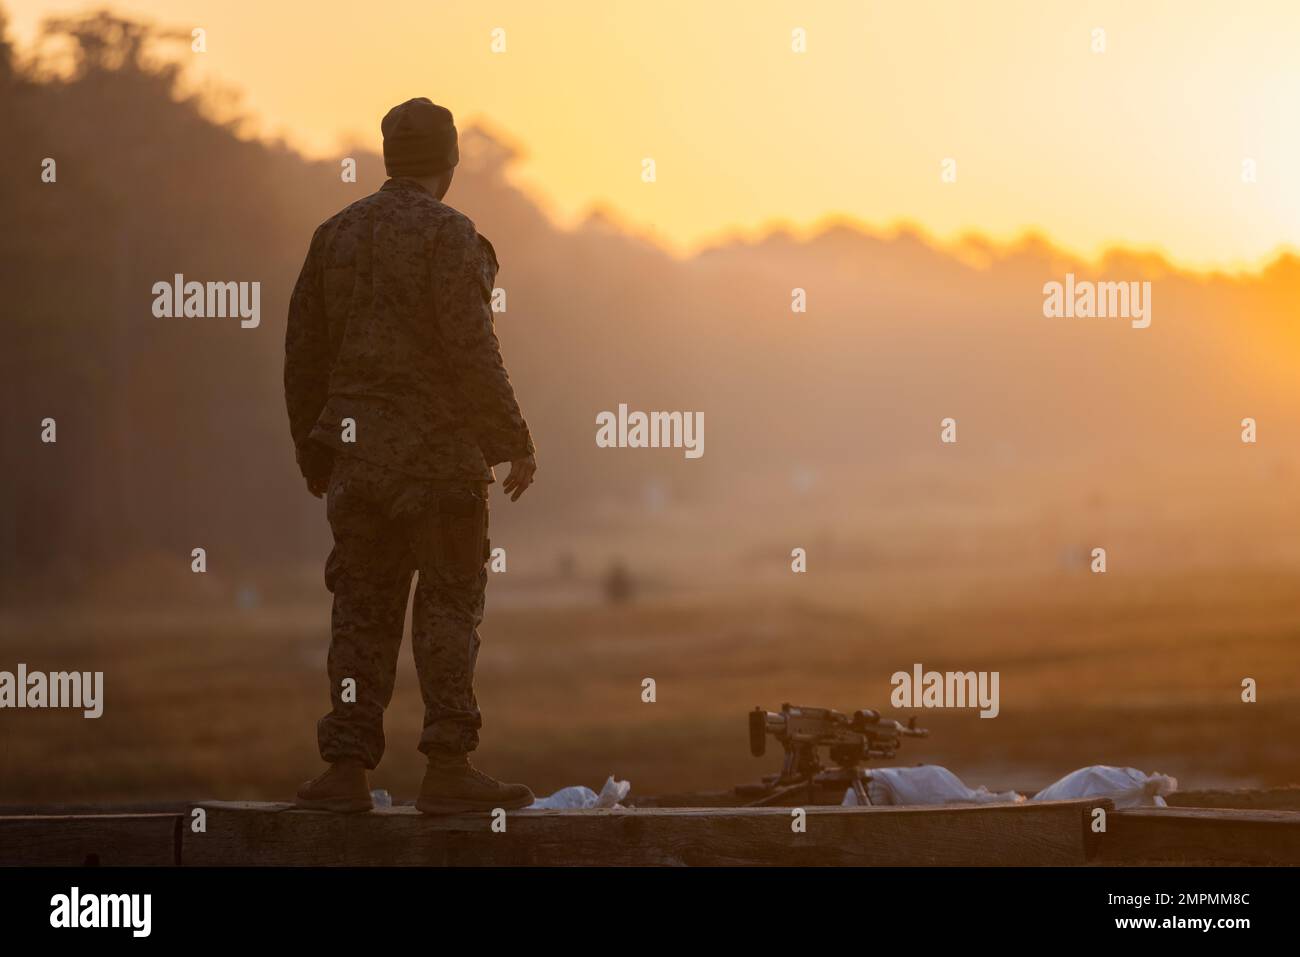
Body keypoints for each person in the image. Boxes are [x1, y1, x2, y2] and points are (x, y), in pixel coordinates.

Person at [284, 97, 537, 814]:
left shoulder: (335, 235)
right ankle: (449, 764)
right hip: (440, 465)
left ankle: (344, 769)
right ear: (448, 164)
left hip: (358, 464)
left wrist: (316, 453)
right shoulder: (452, 236)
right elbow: (470, 346)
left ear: (389, 158)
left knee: (361, 610)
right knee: (449, 604)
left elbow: (302, 356)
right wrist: (511, 439)